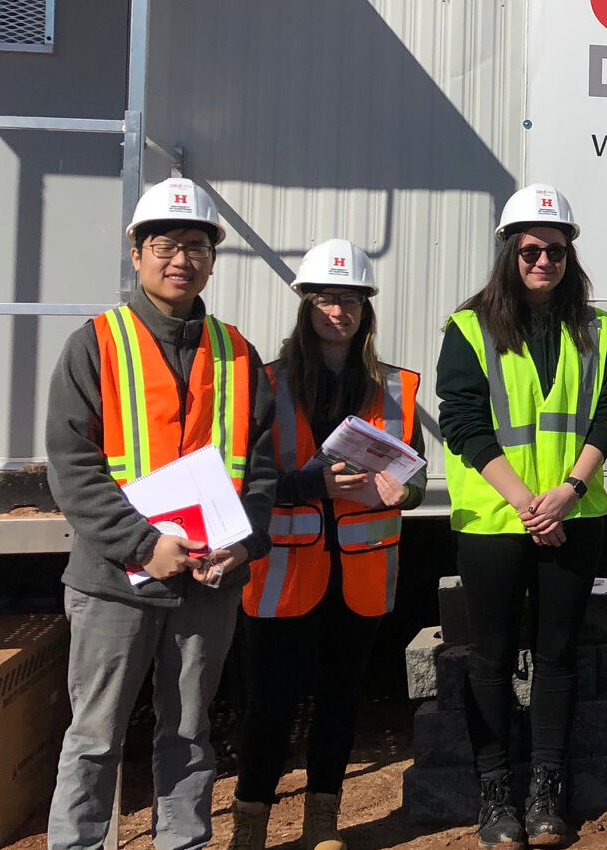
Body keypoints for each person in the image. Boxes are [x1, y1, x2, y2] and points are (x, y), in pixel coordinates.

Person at [45, 177, 278, 850]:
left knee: (189, 732)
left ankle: (184, 842)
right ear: (139, 253)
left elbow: (258, 469)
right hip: (114, 579)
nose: (182, 258)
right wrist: (145, 544)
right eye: (167, 243)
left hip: (210, 579)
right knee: (95, 733)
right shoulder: (97, 343)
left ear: (211, 258)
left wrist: (244, 542)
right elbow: (72, 465)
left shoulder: (237, 351)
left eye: (197, 245)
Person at [232, 239, 426, 850]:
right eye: (325, 298)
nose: (338, 310)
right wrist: (306, 483)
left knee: (341, 700)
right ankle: (250, 826)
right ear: (305, 303)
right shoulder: (268, 383)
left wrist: (404, 492)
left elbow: (415, 478)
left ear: (366, 308)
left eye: (350, 299)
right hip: (283, 569)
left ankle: (323, 823)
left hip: (360, 572)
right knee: (270, 702)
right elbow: (247, 478)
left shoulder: (394, 386)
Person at [438, 184, 607, 850]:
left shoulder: (598, 329)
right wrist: (524, 501)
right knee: (488, 657)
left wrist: (567, 490)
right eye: (532, 249)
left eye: (557, 251)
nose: (544, 261)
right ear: (509, 251)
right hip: (494, 520)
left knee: (558, 653)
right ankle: (495, 793)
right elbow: (462, 420)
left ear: (571, 257)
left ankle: (546, 790)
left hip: (573, 512)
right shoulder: (467, 327)